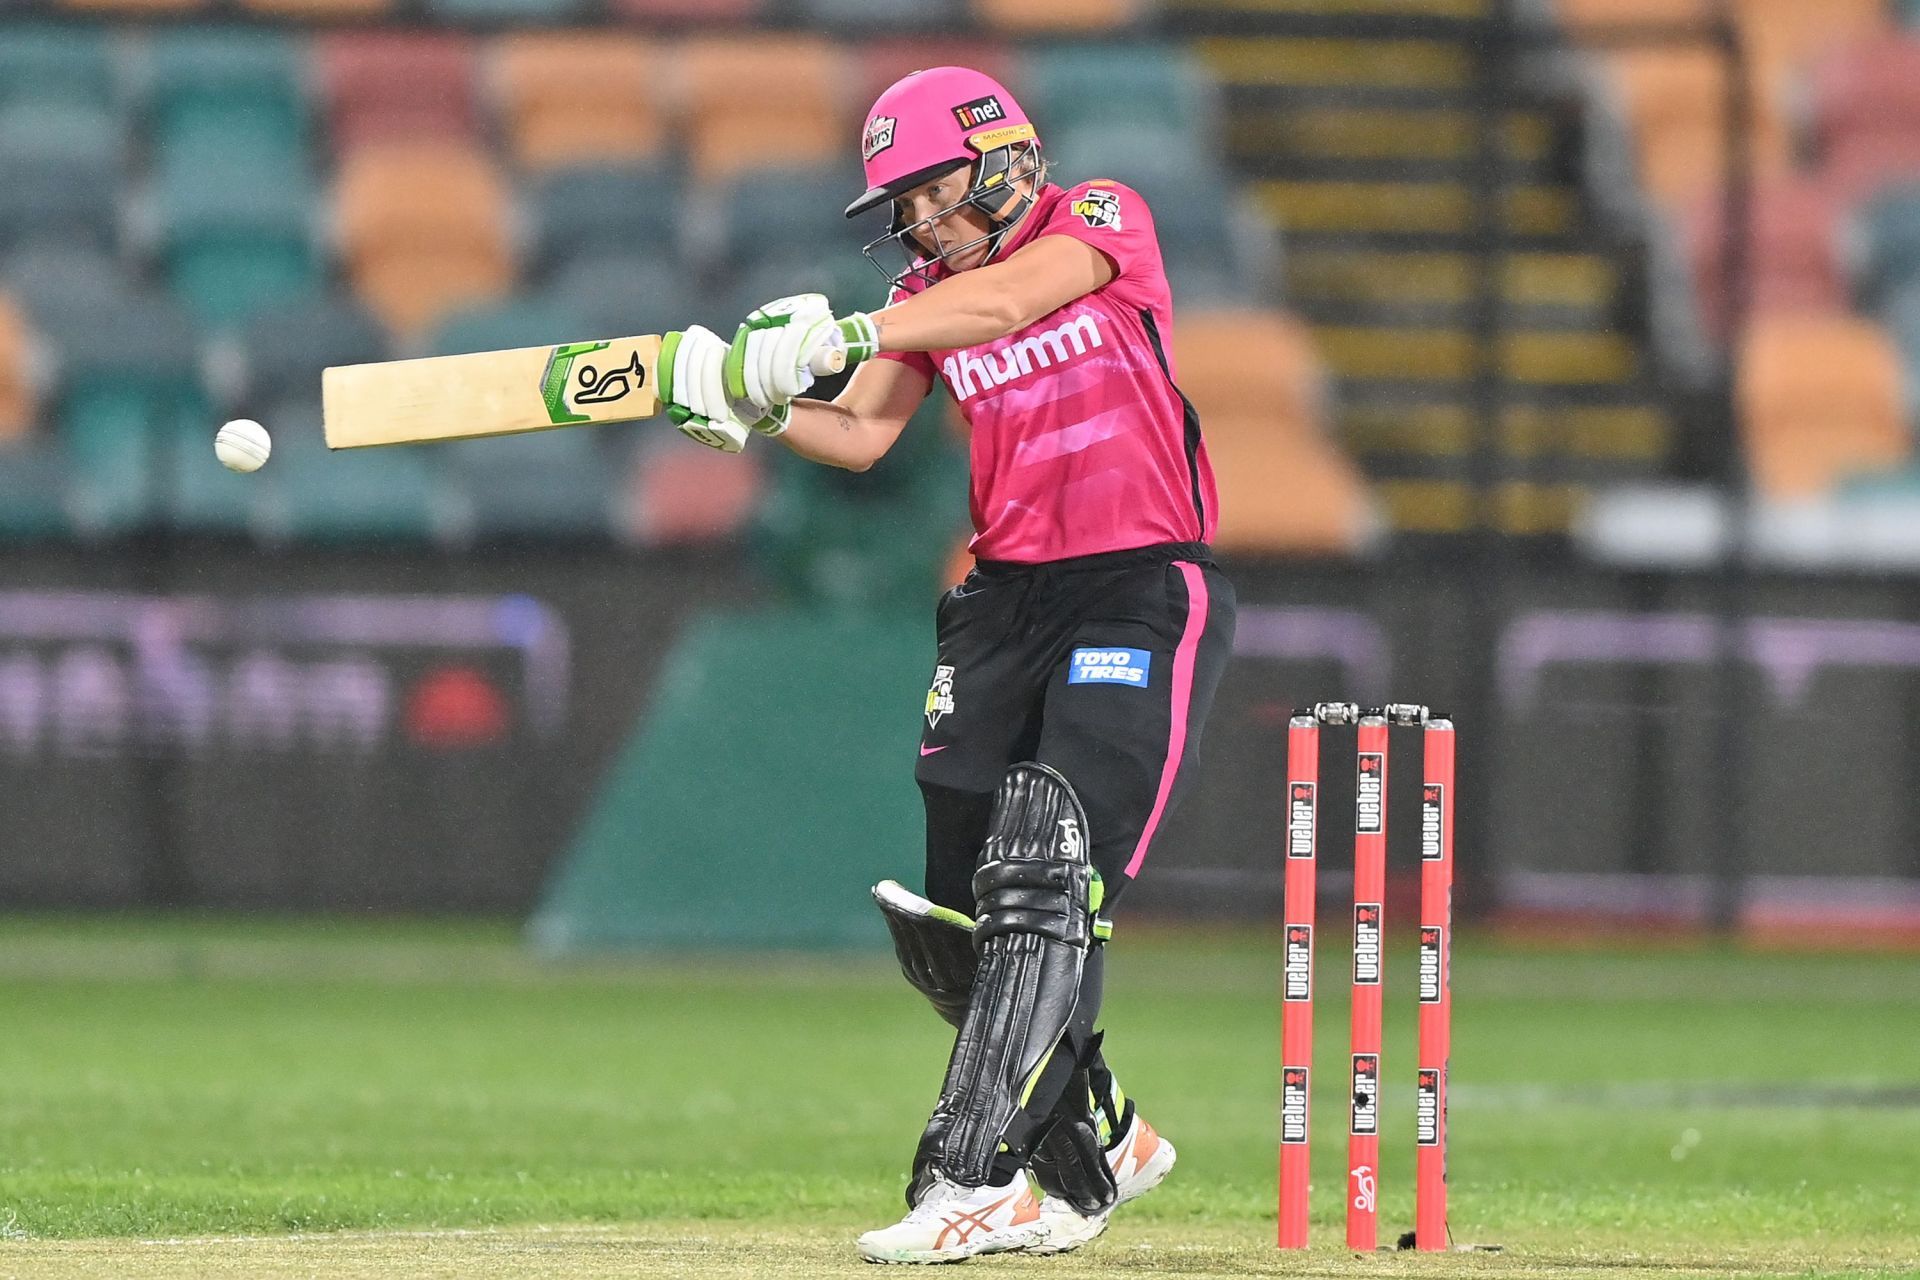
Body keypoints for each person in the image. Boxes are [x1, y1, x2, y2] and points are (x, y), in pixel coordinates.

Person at [656, 65, 1236, 1264]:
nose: (921, 226)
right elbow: (862, 432)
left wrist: (844, 327)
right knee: (962, 915)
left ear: (1003, 158)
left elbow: (1006, 304)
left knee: (1046, 858)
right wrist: (740, 401)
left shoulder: (1100, 219)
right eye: (904, 210)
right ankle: (1100, 1138)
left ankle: (970, 1177)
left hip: (1137, 585)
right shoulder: (928, 292)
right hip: (1001, 605)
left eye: (933, 195)